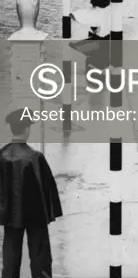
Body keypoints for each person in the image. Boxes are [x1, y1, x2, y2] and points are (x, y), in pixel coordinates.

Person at [0, 109, 62, 278]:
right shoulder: (35, 157)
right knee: (39, 254)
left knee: (11, 254)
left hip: (11, 216)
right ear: (27, 129)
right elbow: (47, 189)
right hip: (35, 215)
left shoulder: (2, 156)